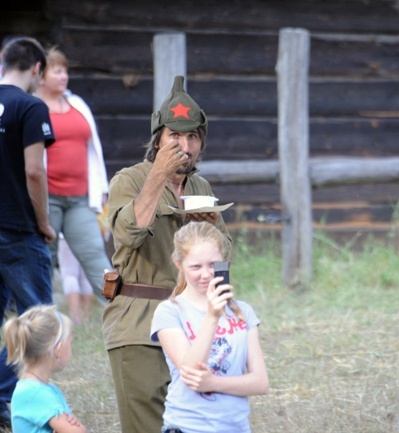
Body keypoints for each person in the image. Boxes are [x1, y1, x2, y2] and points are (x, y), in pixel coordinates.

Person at [104, 75, 232, 433]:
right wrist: (158, 176)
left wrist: (209, 232)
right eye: (175, 135)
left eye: (192, 137)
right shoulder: (129, 180)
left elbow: (225, 260)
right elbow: (127, 234)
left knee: (197, 423)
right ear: (158, 138)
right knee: (147, 425)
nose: (185, 146)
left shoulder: (200, 186)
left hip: (193, 322)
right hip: (140, 323)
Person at [151, 222, 268, 433]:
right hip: (188, 426)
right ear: (179, 264)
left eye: (213, 264)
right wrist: (213, 316)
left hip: (235, 427)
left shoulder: (244, 312)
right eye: (195, 267)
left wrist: (213, 382)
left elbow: (260, 382)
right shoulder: (169, 312)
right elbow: (191, 371)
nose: (206, 274)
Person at [0, 37, 56, 427]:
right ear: (37, 69)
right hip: (19, 230)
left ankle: (3, 403)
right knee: (37, 319)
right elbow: (35, 171)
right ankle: (37, 406)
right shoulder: (31, 106)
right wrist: (44, 222)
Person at [34, 46, 112, 302]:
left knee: (96, 255)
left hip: (80, 199)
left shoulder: (77, 103)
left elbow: (95, 150)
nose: (64, 76)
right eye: (57, 71)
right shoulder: (31, 106)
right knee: (44, 258)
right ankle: (41, 319)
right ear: (41, 75)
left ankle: (121, 311)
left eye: (65, 71)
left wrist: (101, 190)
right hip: (47, 200)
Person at [3, 305, 87, 432]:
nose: (72, 347)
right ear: (58, 350)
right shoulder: (34, 393)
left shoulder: (43, 390)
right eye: (70, 342)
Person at [58, 235, 94, 324]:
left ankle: (76, 318)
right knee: (85, 276)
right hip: (89, 234)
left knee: (70, 274)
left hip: (66, 235)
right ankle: (84, 317)